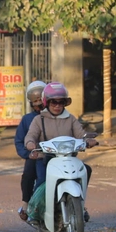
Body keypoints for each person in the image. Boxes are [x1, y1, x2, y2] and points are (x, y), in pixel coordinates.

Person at [24, 81, 96, 221]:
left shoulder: (71, 119)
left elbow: (81, 134)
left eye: (61, 102)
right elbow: (30, 135)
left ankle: (80, 204)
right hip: (46, 158)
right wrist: (31, 143)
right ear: (47, 103)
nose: (57, 106)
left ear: (65, 103)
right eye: (53, 102)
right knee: (42, 181)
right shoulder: (39, 120)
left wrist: (88, 141)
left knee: (86, 170)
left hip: (68, 158)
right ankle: (36, 212)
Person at [14, 81, 47, 221]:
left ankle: (78, 205)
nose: (39, 104)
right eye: (35, 101)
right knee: (28, 173)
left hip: (58, 154)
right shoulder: (27, 119)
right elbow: (20, 141)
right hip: (36, 156)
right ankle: (26, 205)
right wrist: (29, 154)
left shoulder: (60, 116)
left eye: (41, 100)